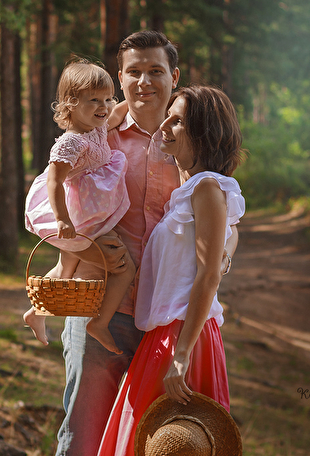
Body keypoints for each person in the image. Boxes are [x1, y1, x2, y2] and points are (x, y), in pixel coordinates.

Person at [97, 85, 245, 456]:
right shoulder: (189, 190)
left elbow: (207, 275)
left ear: (203, 133)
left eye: (177, 120)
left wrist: (181, 355)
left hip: (183, 336)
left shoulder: (207, 187)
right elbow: (230, 234)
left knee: (171, 444)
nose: (164, 124)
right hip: (163, 334)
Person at [54, 30, 183, 456]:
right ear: (120, 78)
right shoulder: (97, 135)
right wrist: (66, 250)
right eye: (134, 72)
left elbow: (222, 207)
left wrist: (225, 252)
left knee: (149, 441)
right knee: (83, 437)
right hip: (99, 305)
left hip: (163, 316)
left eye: (155, 71)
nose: (144, 81)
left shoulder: (190, 141)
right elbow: (51, 192)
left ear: (174, 76)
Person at [24, 58, 136, 354]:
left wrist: (136, 100)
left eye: (108, 98)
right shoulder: (71, 142)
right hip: (77, 215)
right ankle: (99, 323)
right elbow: (54, 181)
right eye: (94, 100)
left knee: (65, 267)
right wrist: (62, 219)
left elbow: (121, 110)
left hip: (92, 210)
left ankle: (36, 312)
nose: (105, 106)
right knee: (124, 268)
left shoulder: (97, 126)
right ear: (71, 103)